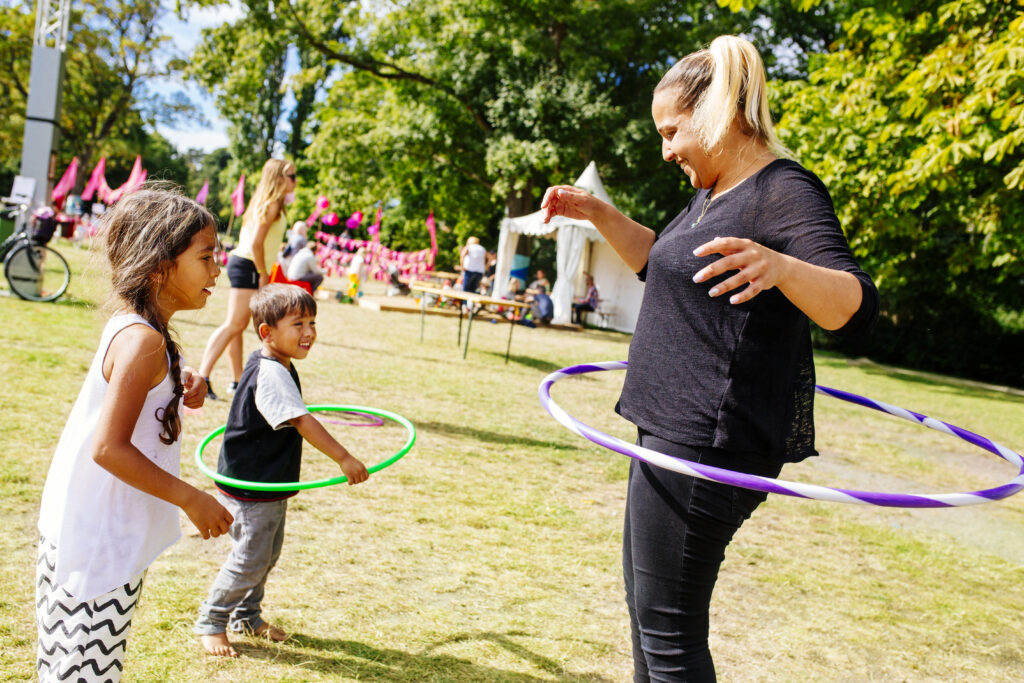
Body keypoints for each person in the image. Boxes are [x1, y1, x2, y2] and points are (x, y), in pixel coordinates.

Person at [541, 35, 878, 681]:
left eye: (671, 131)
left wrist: (781, 266)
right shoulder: (714, 192)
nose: (666, 149)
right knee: (649, 618)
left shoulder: (783, 190)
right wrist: (595, 212)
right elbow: (659, 262)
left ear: (716, 112)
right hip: (671, 431)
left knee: (668, 635)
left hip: (709, 443)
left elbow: (856, 308)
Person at [35, 188, 234, 682]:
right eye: (206, 257)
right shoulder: (143, 341)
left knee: (83, 663)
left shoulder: (143, 331)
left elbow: (137, 391)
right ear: (159, 267)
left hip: (97, 532)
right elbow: (109, 447)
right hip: (96, 541)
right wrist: (191, 499)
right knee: (81, 670)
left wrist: (178, 379)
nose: (217, 269)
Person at [195, 284, 369, 657]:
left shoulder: (277, 365)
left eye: (312, 322)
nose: (309, 333)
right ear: (266, 332)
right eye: (298, 324)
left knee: (266, 554)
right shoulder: (271, 372)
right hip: (252, 486)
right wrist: (344, 458)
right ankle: (212, 621)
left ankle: (247, 616)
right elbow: (304, 422)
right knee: (250, 558)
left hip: (269, 483)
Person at [198, 159, 297, 400]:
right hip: (249, 264)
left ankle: (237, 379)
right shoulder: (271, 204)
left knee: (238, 326)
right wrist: (263, 272)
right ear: (279, 178)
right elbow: (256, 243)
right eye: (292, 176)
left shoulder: (267, 202)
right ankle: (204, 377)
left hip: (245, 263)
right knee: (234, 324)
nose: (295, 180)